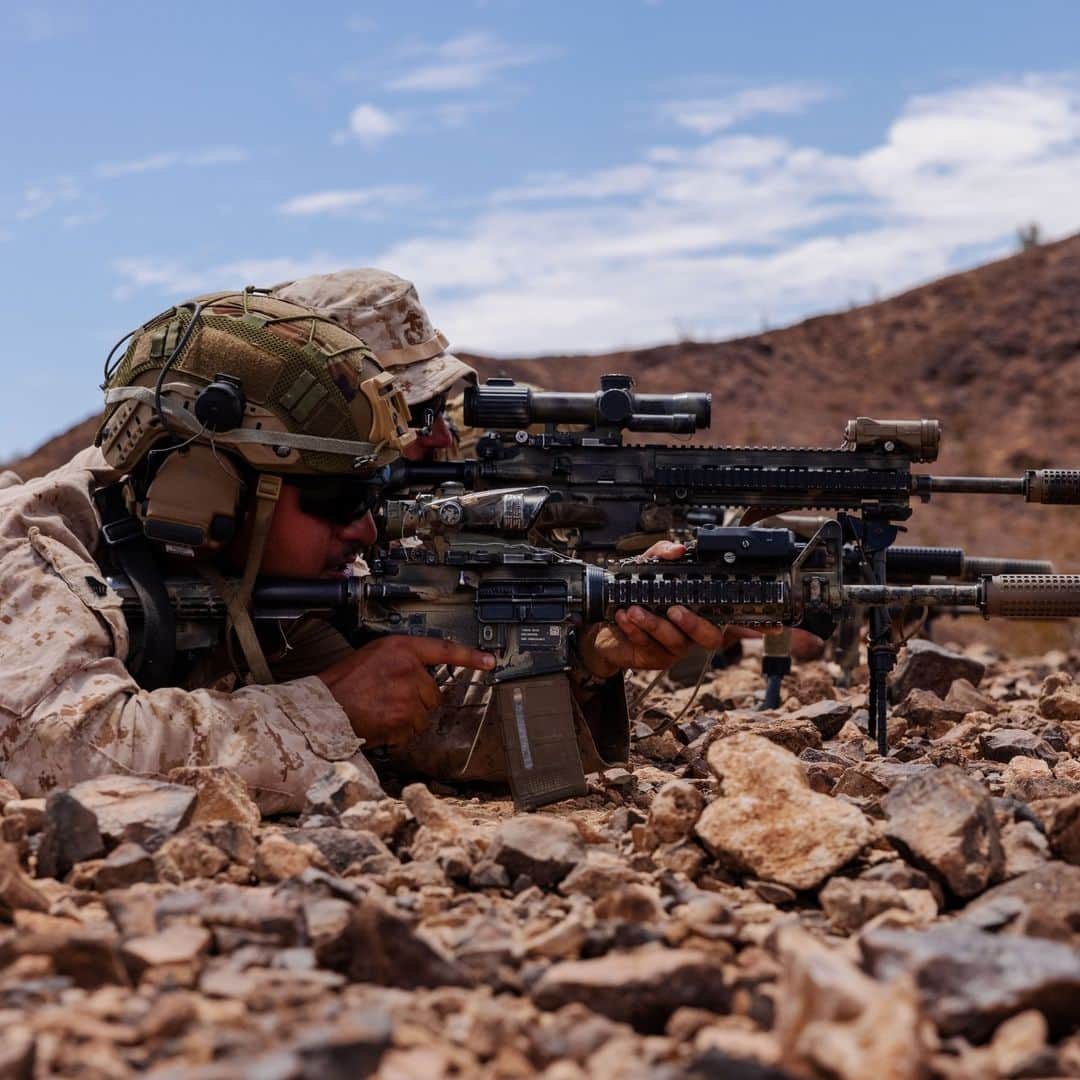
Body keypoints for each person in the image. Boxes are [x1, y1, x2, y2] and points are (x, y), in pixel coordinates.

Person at [0, 288, 726, 810]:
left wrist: (591, 659)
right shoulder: (37, 543)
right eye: (341, 499)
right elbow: (51, 755)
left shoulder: (241, 574)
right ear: (208, 487)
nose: (367, 530)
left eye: (375, 493)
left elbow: (414, 725)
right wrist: (327, 710)